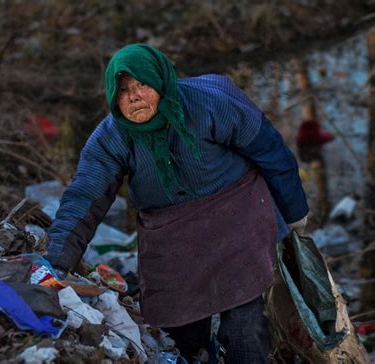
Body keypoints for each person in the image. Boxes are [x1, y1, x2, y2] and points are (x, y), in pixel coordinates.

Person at [46, 44, 309, 363]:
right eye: (124, 90)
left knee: (244, 328)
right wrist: (56, 263)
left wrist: (294, 212)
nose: (134, 96)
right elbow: (84, 197)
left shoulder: (212, 102)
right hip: (170, 233)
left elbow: (270, 151)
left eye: (142, 84)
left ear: (159, 80)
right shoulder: (112, 136)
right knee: (178, 335)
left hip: (236, 215)